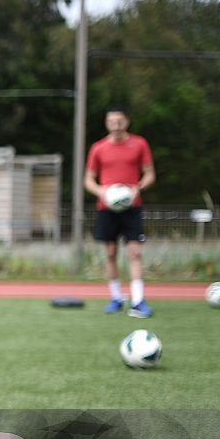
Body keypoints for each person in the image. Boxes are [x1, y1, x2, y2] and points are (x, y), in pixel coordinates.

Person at [84, 106, 156, 318]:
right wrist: (101, 191)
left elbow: (150, 174)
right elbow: (88, 179)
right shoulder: (98, 148)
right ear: (106, 123)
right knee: (110, 252)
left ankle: (138, 301)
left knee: (135, 252)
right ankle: (116, 298)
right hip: (106, 208)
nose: (115, 126)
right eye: (111, 122)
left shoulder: (139, 144)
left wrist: (138, 188)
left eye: (119, 121)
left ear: (127, 122)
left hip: (131, 207)